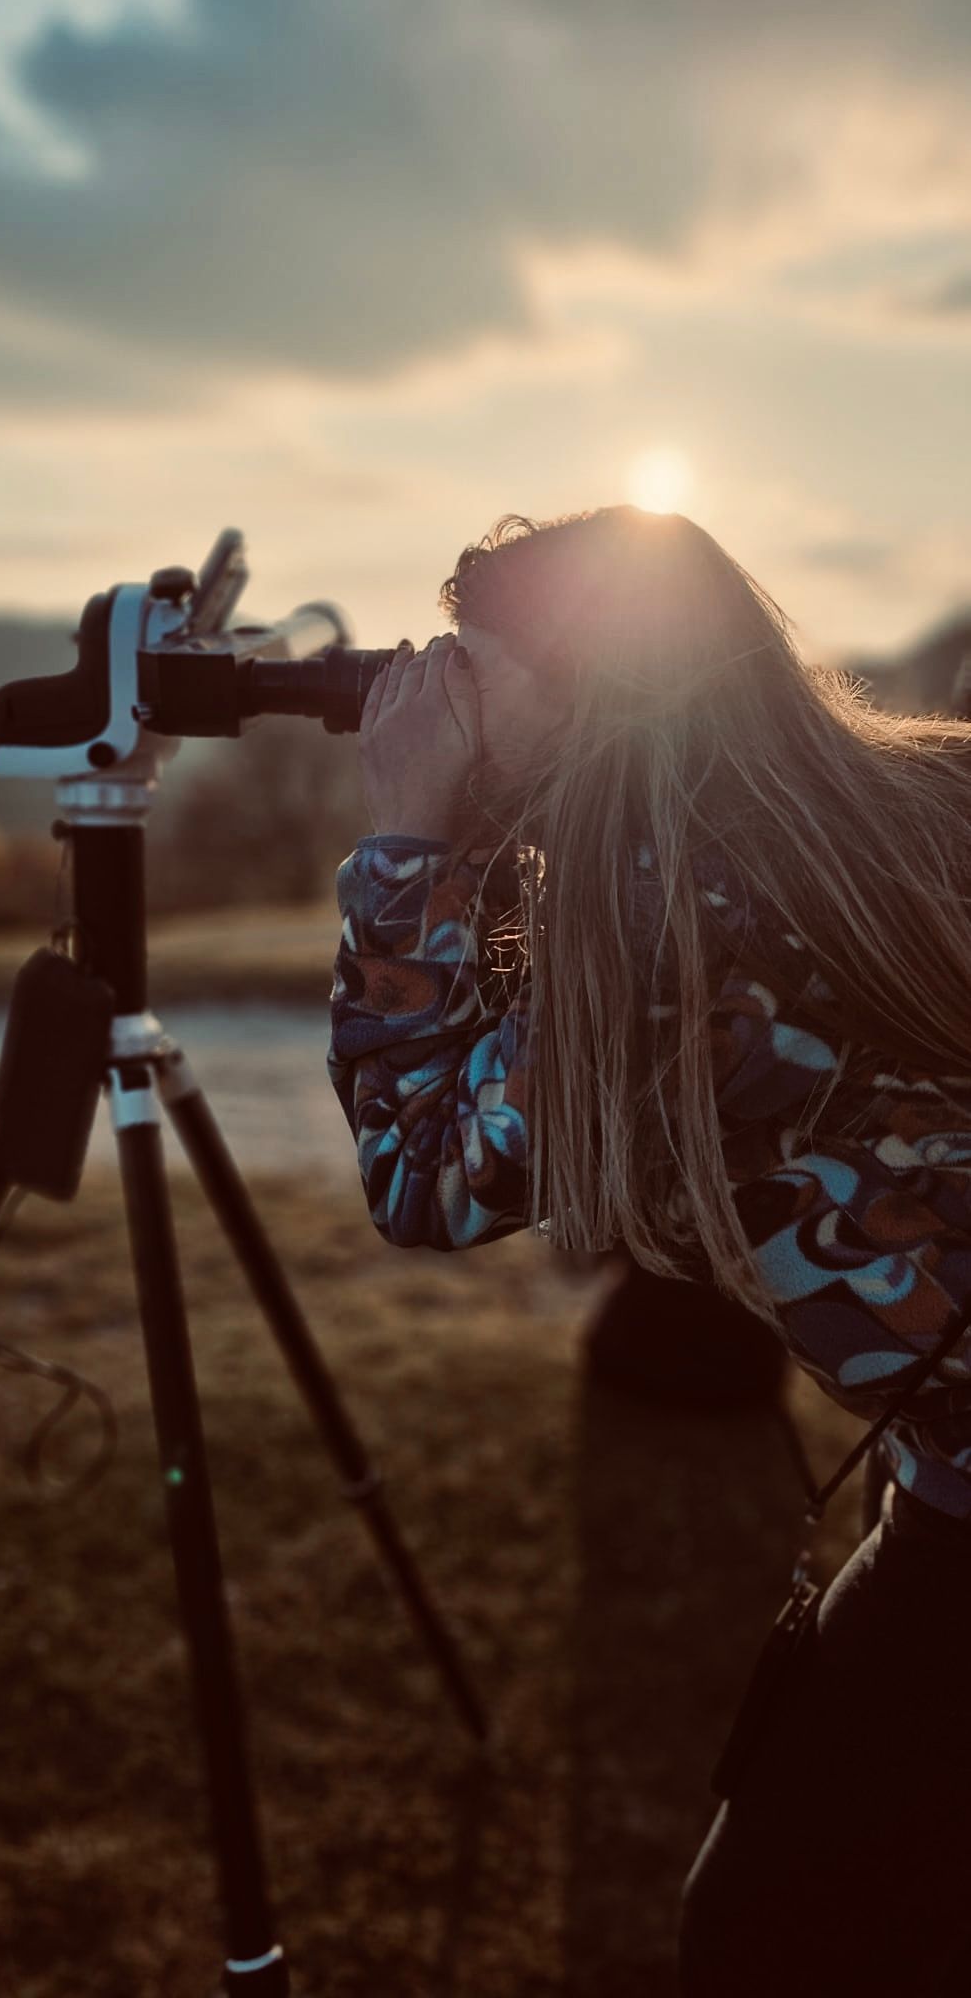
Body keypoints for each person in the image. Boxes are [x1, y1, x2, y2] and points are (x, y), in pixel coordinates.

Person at [325, 504, 971, 1995]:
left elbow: (421, 1173)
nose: (441, 701)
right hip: (938, 1468)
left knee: (773, 1936)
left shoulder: (678, 926)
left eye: (473, 672)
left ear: (583, 689)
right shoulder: (919, 789)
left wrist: (407, 837)